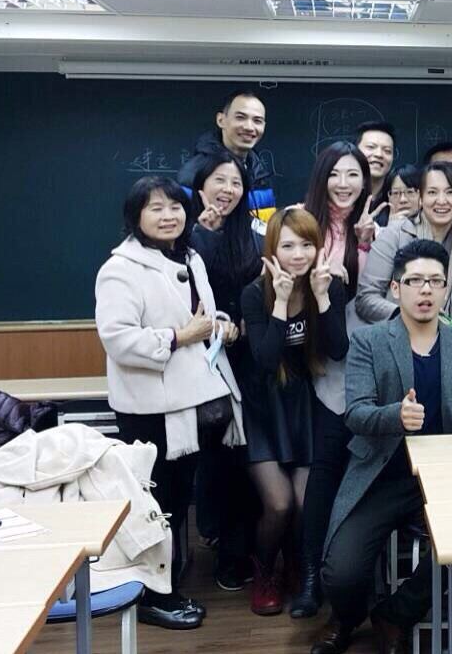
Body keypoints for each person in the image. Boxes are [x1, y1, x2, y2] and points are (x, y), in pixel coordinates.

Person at [313, 240, 452, 654]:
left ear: (446, 288)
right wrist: (394, 415)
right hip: (383, 475)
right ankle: (346, 617)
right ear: (396, 288)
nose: (426, 290)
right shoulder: (369, 341)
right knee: (340, 574)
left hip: (445, 479)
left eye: (435, 281)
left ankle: (395, 614)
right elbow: (355, 413)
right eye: (415, 281)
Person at [95, 176, 246, 630]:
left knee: (180, 499)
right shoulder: (120, 269)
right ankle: (152, 597)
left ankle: (167, 582)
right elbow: (118, 339)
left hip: (193, 400)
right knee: (156, 503)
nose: (168, 216)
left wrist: (219, 325)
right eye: (156, 208)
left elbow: (198, 314)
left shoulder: (189, 256)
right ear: (135, 216)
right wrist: (179, 337)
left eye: (175, 207)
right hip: (151, 409)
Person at [240, 208, 350, 616]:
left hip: (305, 404)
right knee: (280, 503)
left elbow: (338, 350)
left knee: (306, 502)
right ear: (272, 249)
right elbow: (267, 360)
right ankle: (264, 571)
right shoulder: (255, 293)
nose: (299, 254)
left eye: (307, 244)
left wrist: (322, 297)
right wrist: (281, 302)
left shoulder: (328, 284)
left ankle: (300, 569)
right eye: (288, 246)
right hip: (263, 406)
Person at [291, 142, 378, 618]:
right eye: (335, 174)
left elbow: (372, 296)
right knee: (322, 471)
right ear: (321, 176)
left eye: (353, 175)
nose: (344, 184)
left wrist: (364, 245)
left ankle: (350, 576)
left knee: (359, 470)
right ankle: (309, 577)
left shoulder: (372, 228)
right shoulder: (302, 222)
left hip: (363, 363)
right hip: (316, 362)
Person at [188, 152, 263, 592]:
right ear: (200, 188)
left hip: (246, 360)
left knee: (243, 459)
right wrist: (203, 234)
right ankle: (216, 538)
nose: (228, 190)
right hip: (200, 364)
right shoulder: (184, 234)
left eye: (236, 183)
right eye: (219, 180)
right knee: (213, 459)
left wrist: (246, 325)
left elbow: (259, 290)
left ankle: (238, 553)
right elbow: (187, 293)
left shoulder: (253, 237)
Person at [358, 161, 452, 326]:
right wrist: (409, 315)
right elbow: (365, 298)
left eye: (450, 192)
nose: (442, 201)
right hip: (394, 333)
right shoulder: (395, 233)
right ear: (421, 198)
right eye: (432, 192)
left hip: (446, 336)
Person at [178, 89, 275, 230]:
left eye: (257, 121)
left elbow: (264, 229)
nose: (249, 127)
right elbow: (181, 234)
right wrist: (206, 231)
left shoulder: (260, 174)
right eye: (240, 117)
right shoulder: (194, 174)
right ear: (221, 120)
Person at [356, 121, 396, 217]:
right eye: (371, 147)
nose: (379, 154)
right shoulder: (341, 196)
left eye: (387, 151)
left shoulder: (397, 200)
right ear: (355, 150)